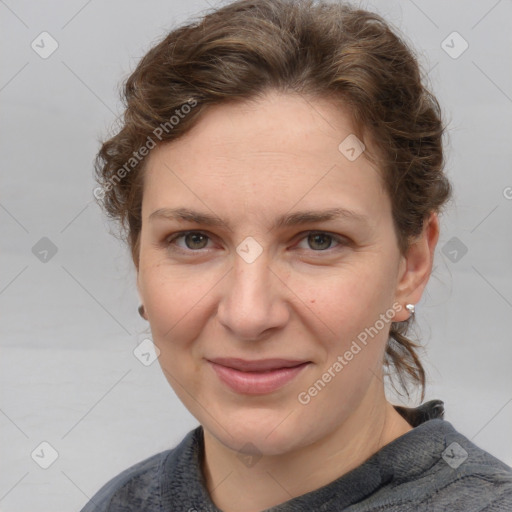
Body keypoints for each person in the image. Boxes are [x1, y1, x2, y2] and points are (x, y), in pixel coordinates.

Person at [81, 0, 512, 510]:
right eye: (194, 239)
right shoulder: (120, 502)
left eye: (318, 240)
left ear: (411, 266)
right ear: (139, 264)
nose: (248, 314)